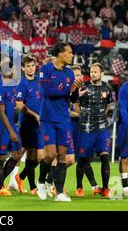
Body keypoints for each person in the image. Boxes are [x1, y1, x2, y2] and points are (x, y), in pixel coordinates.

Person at [37, 42, 82, 202]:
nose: (71, 55)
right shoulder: (46, 69)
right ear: (60, 54)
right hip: (48, 118)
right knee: (50, 154)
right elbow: (46, 91)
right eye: (69, 52)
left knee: (62, 155)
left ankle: (59, 193)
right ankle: (41, 181)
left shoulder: (69, 73)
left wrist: (76, 90)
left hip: (63, 118)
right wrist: (68, 89)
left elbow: (72, 98)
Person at [75, 63, 113, 198]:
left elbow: (109, 104)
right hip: (86, 128)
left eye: (95, 72)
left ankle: (106, 189)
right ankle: (79, 187)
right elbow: (75, 103)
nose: (93, 74)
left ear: (101, 73)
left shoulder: (107, 88)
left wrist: (105, 115)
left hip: (101, 128)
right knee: (83, 158)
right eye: (91, 72)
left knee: (105, 157)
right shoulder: (84, 87)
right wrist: (82, 115)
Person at [0, 59, 23, 196]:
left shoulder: (14, 86)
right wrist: (10, 131)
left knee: (17, 154)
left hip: (11, 124)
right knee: (1, 156)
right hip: (1, 126)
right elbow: (0, 111)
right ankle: (2, 187)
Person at [13, 56, 43, 195]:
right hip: (28, 121)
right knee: (31, 153)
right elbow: (19, 105)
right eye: (28, 66)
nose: (31, 68)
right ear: (23, 68)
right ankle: (32, 187)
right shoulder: (22, 84)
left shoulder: (39, 80)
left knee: (40, 156)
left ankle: (21, 177)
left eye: (33, 65)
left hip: (41, 121)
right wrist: (34, 115)